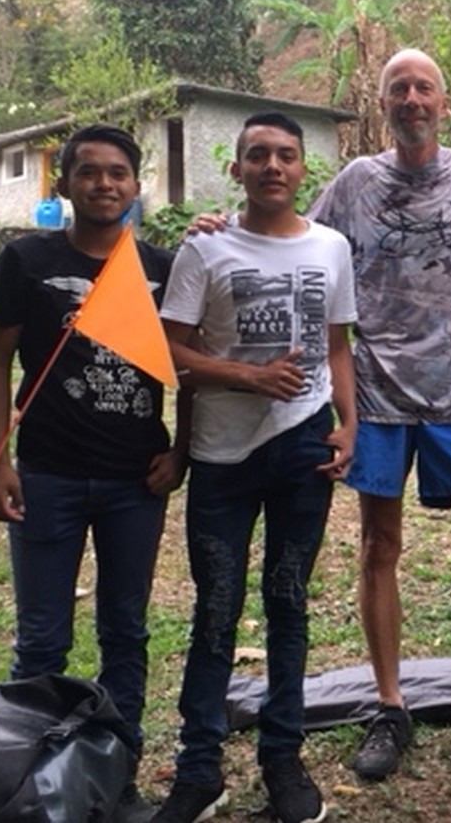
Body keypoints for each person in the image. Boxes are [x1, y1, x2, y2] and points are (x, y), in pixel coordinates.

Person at [309, 48, 451, 780]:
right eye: (398, 88)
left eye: (424, 87)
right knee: (379, 546)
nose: (412, 99)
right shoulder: (355, 182)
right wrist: (224, 231)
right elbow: (298, 245)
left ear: (443, 102)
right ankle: (389, 705)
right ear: (383, 105)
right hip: (376, 395)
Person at [0, 123, 188, 823]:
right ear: (64, 183)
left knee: (125, 633)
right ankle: (29, 785)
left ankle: (114, 775)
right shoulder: (26, 260)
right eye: (89, 171)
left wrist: (182, 451)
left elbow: (188, 365)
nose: (104, 183)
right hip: (47, 474)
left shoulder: (163, 267)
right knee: (42, 639)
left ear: (136, 184)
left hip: (136, 481)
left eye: (118, 172)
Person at [152, 112, 357, 823]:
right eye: (258, 155)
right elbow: (169, 349)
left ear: (304, 169)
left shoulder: (331, 247)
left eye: (287, 155)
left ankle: (283, 758)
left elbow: (338, 346)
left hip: (304, 446)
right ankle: (198, 769)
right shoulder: (204, 248)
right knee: (216, 608)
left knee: (288, 601)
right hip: (221, 453)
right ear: (235, 169)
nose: (273, 166)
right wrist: (247, 376)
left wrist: (350, 424)